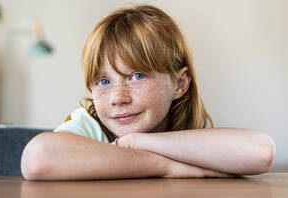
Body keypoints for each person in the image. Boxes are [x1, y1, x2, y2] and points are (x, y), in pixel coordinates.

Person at [21, 4, 275, 180]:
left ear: (180, 84)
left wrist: (138, 143)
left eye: (137, 76)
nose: (118, 98)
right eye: (103, 82)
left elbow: (260, 151)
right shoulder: (89, 127)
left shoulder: (179, 133)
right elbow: (38, 158)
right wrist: (163, 166)